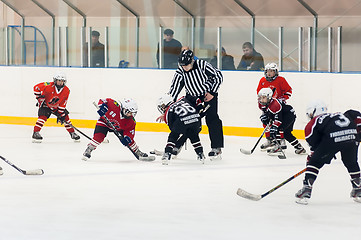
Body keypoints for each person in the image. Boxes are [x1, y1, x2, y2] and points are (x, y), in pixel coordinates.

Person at [295, 100, 361, 204]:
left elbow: (314, 144)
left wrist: (312, 159)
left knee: (314, 163)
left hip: (332, 139)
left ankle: (307, 188)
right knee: (351, 162)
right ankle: (358, 188)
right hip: (352, 136)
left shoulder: (315, 121)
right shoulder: (337, 115)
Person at [168, 49, 224, 160]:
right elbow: (174, 88)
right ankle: (177, 145)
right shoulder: (181, 70)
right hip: (192, 99)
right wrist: (169, 104)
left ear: (192, 61)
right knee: (188, 121)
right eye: (182, 65)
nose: (184, 68)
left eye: (186, 65)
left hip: (208, 96)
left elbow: (218, 76)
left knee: (212, 120)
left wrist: (212, 93)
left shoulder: (202, 65)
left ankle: (216, 148)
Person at [82, 98, 153, 161]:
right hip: (104, 122)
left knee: (129, 141)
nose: (130, 115)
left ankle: (137, 151)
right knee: (98, 137)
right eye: (129, 112)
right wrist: (102, 106)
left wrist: (127, 138)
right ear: (124, 108)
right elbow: (102, 101)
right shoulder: (113, 105)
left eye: (132, 113)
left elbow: (129, 132)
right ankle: (89, 149)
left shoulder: (131, 121)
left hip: (119, 128)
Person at [157, 93, 205, 165]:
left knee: (173, 136)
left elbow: (172, 127)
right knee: (193, 136)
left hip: (182, 121)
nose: (162, 108)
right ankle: (200, 154)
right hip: (196, 120)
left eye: (162, 106)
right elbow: (193, 98)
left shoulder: (168, 110)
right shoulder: (183, 99)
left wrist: (177, 130)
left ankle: (167, 154)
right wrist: (199, 106)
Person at [32, 72, 80, 143]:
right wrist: (39, 97)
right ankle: (35, 133)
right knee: (42, 117)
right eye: (59, 80)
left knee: (66, 118)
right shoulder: (48, 85)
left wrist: (61, 114)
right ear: (55, 80)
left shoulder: (66, 90)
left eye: (62, 81)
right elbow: (36, 87)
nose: (61, 83)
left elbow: (63, 102)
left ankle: (72, 133)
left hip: (57, 107)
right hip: (46, 105)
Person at [257, 88, 306, 156]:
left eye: (263, 97)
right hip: (282, 114)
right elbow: (266, 112)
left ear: (269, 97)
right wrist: (265, 118)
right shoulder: (261, 103)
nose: (261, 99)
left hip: (288, 115)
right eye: (260, 97)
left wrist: (274, 126)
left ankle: (278, 147)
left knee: (277, 129)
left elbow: (278, 119)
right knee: (286, 134)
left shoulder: (275, 104)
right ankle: (300, 148)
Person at [257, 62, 293, 151]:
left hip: (278, 106)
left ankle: (281, 140)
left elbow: (288, 91)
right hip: (267, 106)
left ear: (276, 72)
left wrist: (282, 99)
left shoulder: (281, 80)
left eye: (271, 71)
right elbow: (259, 93)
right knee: (265, 122)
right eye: (267, 71)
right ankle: (270, 140)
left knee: (278, 123)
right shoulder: (262, 81)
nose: (269, 73)